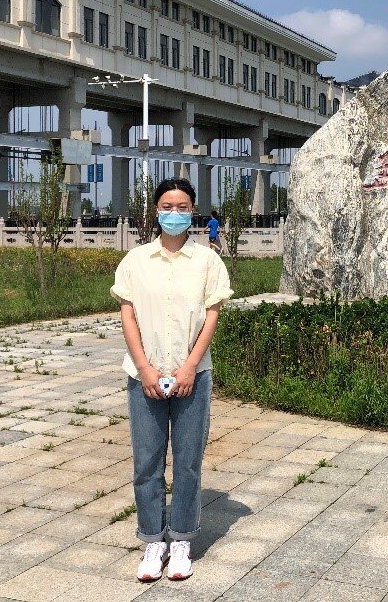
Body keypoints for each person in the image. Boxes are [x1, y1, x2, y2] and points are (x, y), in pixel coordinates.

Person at [110, 177, 233, 583]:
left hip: (191, 375)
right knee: (146, 462)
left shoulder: (208, 261)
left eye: (182, 207)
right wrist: (144, 367)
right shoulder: (136, 260)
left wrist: (189, 367)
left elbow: (212, 315)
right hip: (143, 374)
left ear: (192, 211)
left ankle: (181, 539)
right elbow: (128, 314)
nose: (174, 213)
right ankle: (152, 539)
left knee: (187, 461)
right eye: (167, 206)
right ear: (156, 210)